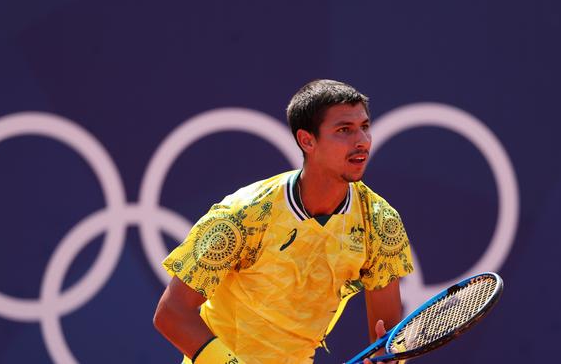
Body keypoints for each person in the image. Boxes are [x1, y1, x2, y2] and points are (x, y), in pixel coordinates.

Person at [153, 79, 414, 364]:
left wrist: (387, 358)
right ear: (307, 140)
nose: (362, 140)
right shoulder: (245, 214)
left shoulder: (380, 223)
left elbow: (387, 339)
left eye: (364, 127)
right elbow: (172, 313)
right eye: (344, 130)